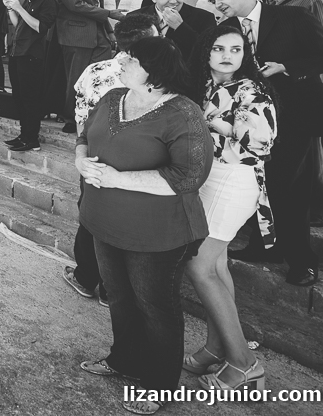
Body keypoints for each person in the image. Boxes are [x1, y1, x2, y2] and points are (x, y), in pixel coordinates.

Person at [76, 37, 211, 412]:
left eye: (130, 58)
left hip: (158, 233)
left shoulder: (183, 113)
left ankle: (159, 384)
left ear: (155, 70)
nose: (121, 61)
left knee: (155, 307)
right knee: (118, 297)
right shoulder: (112, 97)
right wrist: (80, 161)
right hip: (105, 223)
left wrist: (119, 179)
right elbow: (84, 137)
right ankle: (124, 360)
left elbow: (188, 177)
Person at [204, 0, 323, 286]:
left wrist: (286, 68)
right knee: (260, 182)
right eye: (213, 1)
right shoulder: (228, 29)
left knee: (289, 185)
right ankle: (266, 246)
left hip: (298, 114)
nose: (217, 5)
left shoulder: (292, 15)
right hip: (254, 119)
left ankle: (302, 260)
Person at [183, 23, 275, 391]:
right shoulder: (203, 84)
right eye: (219, 48)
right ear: (206, 50)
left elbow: (261, 144)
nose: (227, 56)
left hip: (234, 180)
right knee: (217, 265)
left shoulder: (252, 90)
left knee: (199, 264)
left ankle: (244, 363)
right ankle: (216, 347)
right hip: (209, 179)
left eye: (235, 50)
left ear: (245, 54)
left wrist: (208, 128)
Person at [62, 12, 161, 306]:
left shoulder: (94, 71)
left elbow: (80, 115)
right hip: (140, 160)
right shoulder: (157, 75)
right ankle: (111, 288)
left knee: (91, 218)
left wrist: (84, 150)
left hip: (95, 154)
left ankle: (86, 277)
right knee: (125, 223)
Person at [54, 0, 123, 134]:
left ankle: (96, 116)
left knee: (100, 77)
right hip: (76, 37)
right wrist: (110, 13)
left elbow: (96, 4)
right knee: (76, 79)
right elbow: (76, 5)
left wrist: (109, 31)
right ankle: (71, 117)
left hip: (99, 35)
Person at [4, 0, 58, 152]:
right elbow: (19, 24)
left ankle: (32, 139)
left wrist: (19, 7)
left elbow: (40, 28)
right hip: (17, 53)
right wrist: (11, 9)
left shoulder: (47, 1)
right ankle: (24, 135)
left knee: (30, 99)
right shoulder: (29, 0)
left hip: (32, 56)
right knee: (18, 97)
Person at [137, 0, 215, 60]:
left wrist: (180, 27)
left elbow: (208, 52)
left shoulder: (204, 18)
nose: (173, 1)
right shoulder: (136, 16)